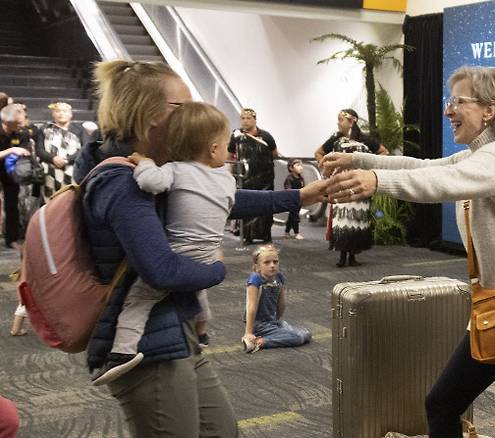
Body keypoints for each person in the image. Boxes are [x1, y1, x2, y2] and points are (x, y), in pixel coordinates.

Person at [320, 66, 495, 438]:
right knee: (446, 405)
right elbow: (423, 167)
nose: (447, 110)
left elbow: (439, 182)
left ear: (489, 110)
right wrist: (360, 161)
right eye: (448, 101)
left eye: (458, 101)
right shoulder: (481, 154)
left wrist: (375, 181)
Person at [75, 59, 326, 437]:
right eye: (181, 106)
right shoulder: (125, 181)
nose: (192, 115)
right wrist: (218, 271)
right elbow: (161, 271)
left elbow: (213, 199)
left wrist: (298, 197)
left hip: (176, 333)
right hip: (148, 352)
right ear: (149, 115)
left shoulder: (157, 170)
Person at [91, 101, 235, 386]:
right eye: (227, 144)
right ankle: (202, 331)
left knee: (139, 300)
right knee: (198, 290)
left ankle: (122, 352)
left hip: (178, 257)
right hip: (208, 255)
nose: (229, 151)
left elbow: (150, 184)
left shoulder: (176, 171)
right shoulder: (227, 180)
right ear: (213, 149)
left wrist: (144, 162)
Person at [315, 109, 388, 267]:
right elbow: (319, 153)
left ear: (352, 121)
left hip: (359, 185)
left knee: (357, 219)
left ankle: (353, 255)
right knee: (341, 219)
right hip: (341, 184)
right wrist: (326, 168)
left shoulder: (365, 139)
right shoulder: (336, 139)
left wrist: (369, 167)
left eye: (341, 119)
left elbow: (384, 152)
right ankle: (342, 255)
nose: (338, 123)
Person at [242, 244, 311, 353]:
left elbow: (281, 303)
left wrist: (278, 321)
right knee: (298, 338)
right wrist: (248, 332)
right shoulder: (256, 279)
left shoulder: (279, 277)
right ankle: (261, 341)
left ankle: (275, 334)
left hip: (273, 321)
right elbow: (251, 307)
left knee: (306, 333)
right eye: (267, 262)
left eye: (275, 262)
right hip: (259, 324)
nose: (272, 265)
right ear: (258, 266)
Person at [227, 108, 278, 243]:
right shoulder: (236, 135)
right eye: (243, 118)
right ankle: (248, 236)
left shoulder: (266, 136)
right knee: (248, 206)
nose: (245, 121)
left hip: (265, 178)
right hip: (246, 178)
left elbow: (275, 154)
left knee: (265, 206)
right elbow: (230, 154)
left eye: (248, 118)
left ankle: (266, 235)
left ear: (255, 119)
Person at [36, 102, 89, 202]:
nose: (61, 114)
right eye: (58, 111)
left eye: (64, 111)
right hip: (50, 173)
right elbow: (39, 150)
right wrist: (53, 158)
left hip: (72, 171)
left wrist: (67, 160)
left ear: (70, 114)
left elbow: (85, 149)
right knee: (49, 205)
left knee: (69, 204)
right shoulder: (44, 129)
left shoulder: (80, 129)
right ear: (53, 114)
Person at [0, 103, 32, 250]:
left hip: (10, 173)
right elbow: (14, 150)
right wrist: (11, 150)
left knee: (12, 205)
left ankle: (11, 239)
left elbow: (25, 150)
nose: (22, 125)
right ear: (7, 123)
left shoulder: (22, 132)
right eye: (18, 124)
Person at [284, 158, 305, 239]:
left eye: (301, 165)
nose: (301, 167)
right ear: (291, 168)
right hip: (292, 201)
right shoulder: (289, 179)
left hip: (299, 201)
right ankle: (296, 233)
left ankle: (287, 232)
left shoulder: (301, 178)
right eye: (298, 165)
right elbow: (288, 190)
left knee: (291, 217)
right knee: (295, 216)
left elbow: (303, 189)